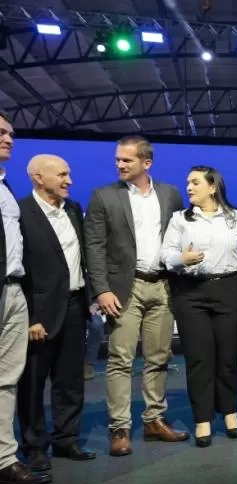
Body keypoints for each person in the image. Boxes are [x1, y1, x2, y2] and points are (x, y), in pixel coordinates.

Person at [84, 135, 188, 456]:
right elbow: (94, 247)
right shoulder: (103, 196)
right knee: (120, 360)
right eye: (117, 159)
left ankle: (155, 420)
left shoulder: (170, 194)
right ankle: (120, 427)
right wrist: (100, 289)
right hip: (123, 289)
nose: (119, 164)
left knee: (158, 358)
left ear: (147, 163)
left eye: (126, 160)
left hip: (163, 285)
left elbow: (179, 238)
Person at [16, 155, 97, 473]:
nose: (70, 181)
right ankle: (34, 446)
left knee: (70, 380)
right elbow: (18, 268)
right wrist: (29, 316)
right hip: (39, 314)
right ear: (38, 177)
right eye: (62, 175)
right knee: (33, 384)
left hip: (75, 307)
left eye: (70, 174)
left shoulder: (74, 209)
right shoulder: (20, 213)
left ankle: (66, 439)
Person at [161, 166, 237, 447]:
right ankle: (202, 419)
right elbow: (166, 255)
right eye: (187, 182)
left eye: (195, 182)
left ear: (213, 187)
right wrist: (181, 260)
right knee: (199, 359)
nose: (188, 187)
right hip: (191, 292)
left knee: (228, 357)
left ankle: (230, 413)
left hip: (229, 289)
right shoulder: (179, 220)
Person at [0, 111, 51, 484]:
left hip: (13, 291)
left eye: (10, 133)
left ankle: (4, 458)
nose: (8, 138)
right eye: (1, 132)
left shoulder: (4, 188)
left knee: (6, 381)